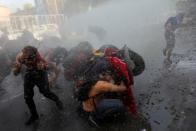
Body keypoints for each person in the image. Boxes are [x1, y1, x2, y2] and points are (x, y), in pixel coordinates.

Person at [13, 46, 63, 125]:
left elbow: (48, 66)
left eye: (33, 58)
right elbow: (15, 72)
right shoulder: (20, 57)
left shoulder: (39, 59)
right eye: (29, 59)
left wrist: (44, 67)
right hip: (28, 75)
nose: (31, 61)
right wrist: (17, 68)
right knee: (27, 97)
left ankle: (57, 100)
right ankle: (34, 115)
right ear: (24, 56)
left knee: (45, 92)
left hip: (40, 74)